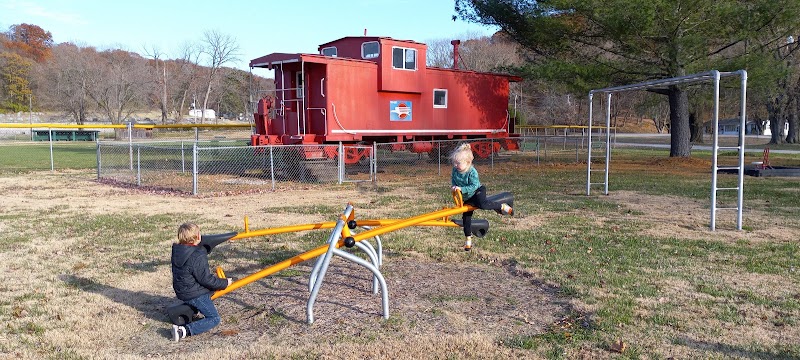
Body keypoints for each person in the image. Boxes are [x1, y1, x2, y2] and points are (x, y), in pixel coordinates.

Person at [170, 222, 232, 342]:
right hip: (194, 294)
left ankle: (189, 309)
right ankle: (183, 331)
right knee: (214, 318)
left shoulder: (178, 250)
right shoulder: (197, 255)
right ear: (198, 237)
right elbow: (205, 279)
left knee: (202, 298)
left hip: (183, 290)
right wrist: (224, 283)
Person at [450, 143, 513, 251]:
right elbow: (453, 181)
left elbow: (474, 186)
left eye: (458, 163)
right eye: (454, 162)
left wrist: (462, 189)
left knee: (483, 204)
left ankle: (502, 206)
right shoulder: (455, 171)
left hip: (477, 191)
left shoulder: (472, 172)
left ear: (468, 162)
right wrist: (454, 187)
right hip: (467, 197)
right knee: (466, 218)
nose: (455, 165)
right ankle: (468, 240)